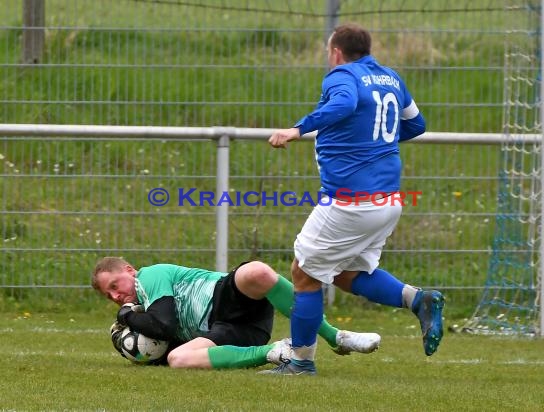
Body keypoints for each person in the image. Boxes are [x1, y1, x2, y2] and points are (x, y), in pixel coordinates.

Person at [265, 23, 444, 375]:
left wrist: (297, 129)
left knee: (303, 273)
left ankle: (301, 362)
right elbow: (416, 124)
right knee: (347, 272)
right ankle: (416, 299)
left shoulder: (341, 75)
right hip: (387, 201)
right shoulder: (390, 77)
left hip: (350, 202)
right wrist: (374, 141)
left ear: (335, 52)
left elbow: (345, 102)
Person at [91, 256, 381, 370]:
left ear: (130, 270)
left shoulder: (150, 277)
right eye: (110, 295)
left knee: (256, 271)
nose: (116, 296)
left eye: (115, 285)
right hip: (229, 331)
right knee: (178, 359)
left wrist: (126, 316)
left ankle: (336, 336)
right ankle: (276, 352)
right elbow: (165, 341)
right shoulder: (143, 308)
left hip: (224, 297)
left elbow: (164, 325)